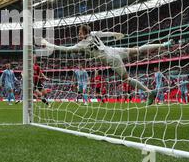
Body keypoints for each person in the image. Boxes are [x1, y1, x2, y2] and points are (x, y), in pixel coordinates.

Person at [40, 24, 171, 106]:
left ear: (85, 33)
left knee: (126, 79)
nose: (78, 35)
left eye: (80, 33)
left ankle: (149, 92)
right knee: (137, 49)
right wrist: (115, 34)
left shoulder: (81, 44)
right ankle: (164, 45)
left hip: (111, 58)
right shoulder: (93, 34)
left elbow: (65, 49)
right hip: (114, 49)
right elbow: (104, 33)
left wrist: (49, 44)